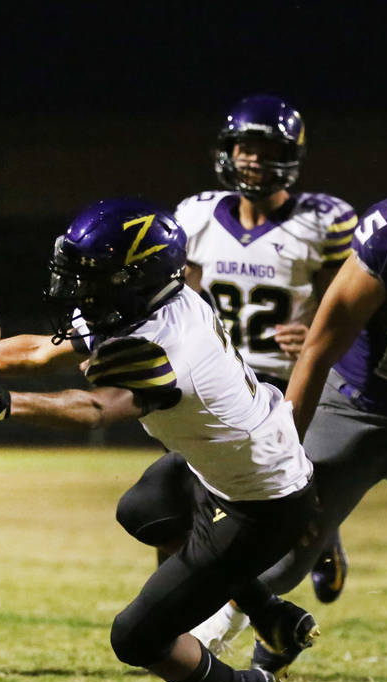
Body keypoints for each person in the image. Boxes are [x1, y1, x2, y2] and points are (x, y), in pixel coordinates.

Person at [0, 198, 320, 682]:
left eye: (93, 276)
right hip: (223, 464)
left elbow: (96, 408)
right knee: (144, 509)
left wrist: (0, 404)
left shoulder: (162, 341)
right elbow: (41, 352)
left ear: (138, 276)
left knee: (135, 638)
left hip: (263, 502)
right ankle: (271, 613)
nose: (78, 287)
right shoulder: (152, 303)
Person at [144, 94, 358, 653]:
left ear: (289, 156)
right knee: (174, 500)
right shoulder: (195, 215)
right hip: (216, 381)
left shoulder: (324, 220)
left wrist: (312, 325)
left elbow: (351, 294)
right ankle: (185, 605)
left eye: (265, 149)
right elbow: (175, 298)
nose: (252, 159)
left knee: (270, 503)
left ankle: (315, 536)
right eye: (243, 147)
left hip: (284, 381)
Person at [261, 176, 387, 682]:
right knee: (279, 553)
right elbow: (319, 346)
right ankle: (216, 630)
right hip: (357, 404)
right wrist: (283, 464)